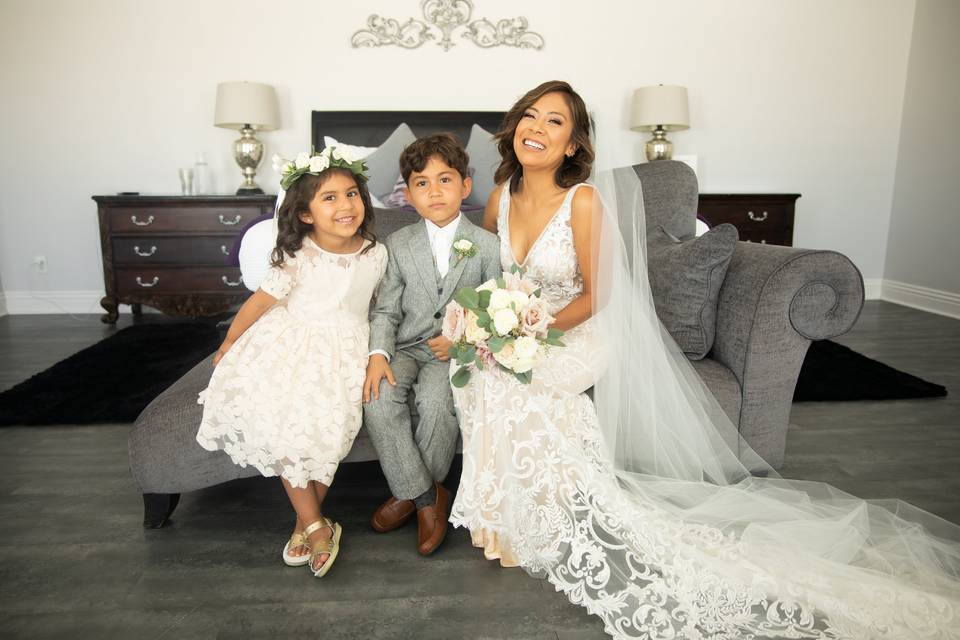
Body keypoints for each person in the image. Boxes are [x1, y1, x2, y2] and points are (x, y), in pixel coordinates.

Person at [450, 80, 960, 639]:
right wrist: (485, 324)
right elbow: (492, 277)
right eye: (530, 115)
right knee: (478, 368)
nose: (537, 127)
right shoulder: (501, 195)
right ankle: (501, 517)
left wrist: (529, 330)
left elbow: (599, 296)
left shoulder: (584, 201)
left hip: (577, 328)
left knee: (516, 375)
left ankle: (544, 516)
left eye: (554, 121)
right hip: (524, 325)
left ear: (573, 144)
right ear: (514, 127)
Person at [195, 147, 387, 578]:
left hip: (345, 349)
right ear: (305, 214)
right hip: (291, 344)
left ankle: (306, 523)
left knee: (329, 433)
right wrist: (228, 343)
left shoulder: (376, 253)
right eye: (330, 198)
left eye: (352, 194)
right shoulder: (298, 255)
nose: (345, 205)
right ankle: (319, 527)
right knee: (290, 429)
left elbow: (379, 305)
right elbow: (258, 303)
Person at [362, 133, 501, 556]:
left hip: (453, 353)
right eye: (422, 183)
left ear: (465, 185)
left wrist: (460, 338)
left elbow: (494, 306)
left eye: (445, 179)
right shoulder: (398, 245)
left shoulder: (487, 246)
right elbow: (385, 310)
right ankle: (426, 497)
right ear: (408, 194)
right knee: (379, 400)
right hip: (403, 348)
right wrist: (377, 355)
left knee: (441, 404)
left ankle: (409, 495)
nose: (434, 190)